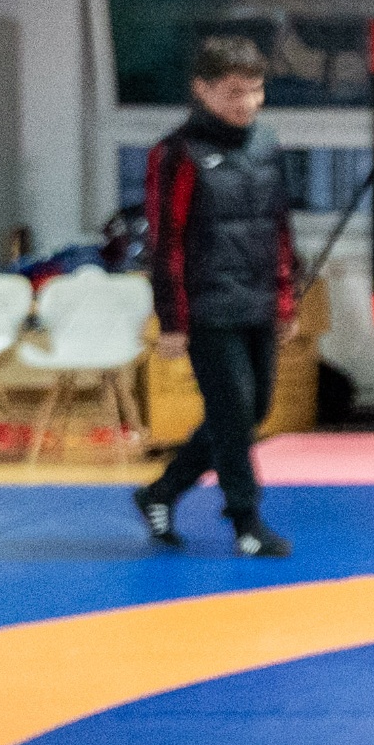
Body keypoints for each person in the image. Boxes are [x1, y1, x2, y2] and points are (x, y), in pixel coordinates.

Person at [131, 34, 301, 560]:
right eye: (233, 92)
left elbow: (279, 227)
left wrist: (286, 301)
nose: (247, 103)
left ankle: (162, 491)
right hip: (207, 307)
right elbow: (166, 241)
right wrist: (172, 321)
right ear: (201, 90)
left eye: (255, 90)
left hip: (257, 299)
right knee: (231, 412)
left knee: (253, 409)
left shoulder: (266, 143)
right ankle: (246, 521)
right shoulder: (177, 153)